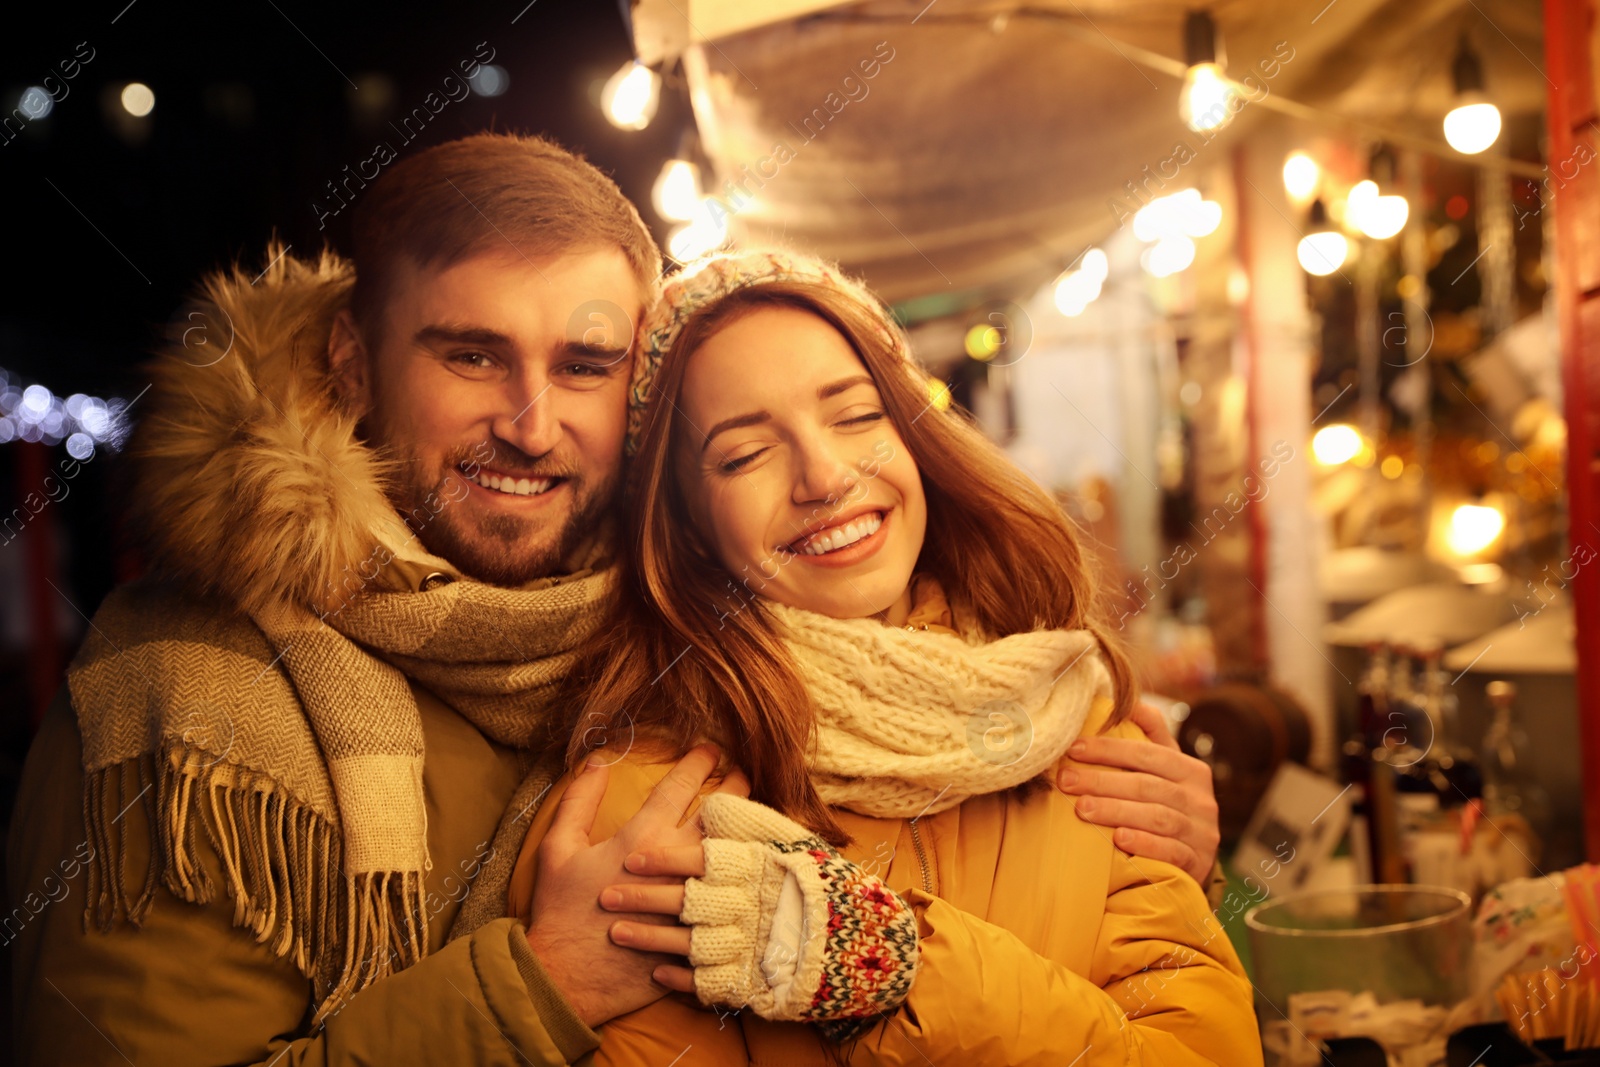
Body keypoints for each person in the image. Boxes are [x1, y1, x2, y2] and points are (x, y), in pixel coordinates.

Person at [7, 133, 1225, 1065]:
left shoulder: (645, 650)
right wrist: (533, 986)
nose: (531, 424)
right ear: (352, 362)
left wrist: (1148, 839)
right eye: (471, 353)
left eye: (584, 365)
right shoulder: (196, 698)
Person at [505, 250, 1263, 1064]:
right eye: (744, 454)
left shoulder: (1079, 723)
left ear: (912, 432)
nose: (827, 476)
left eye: (857, 415)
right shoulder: (642, 811)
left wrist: (892, 965)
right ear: (686, 523)